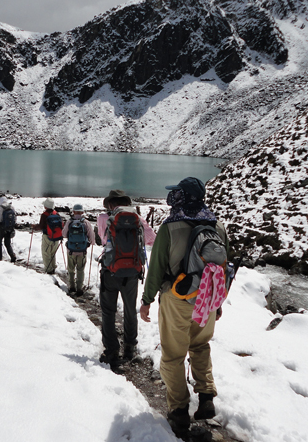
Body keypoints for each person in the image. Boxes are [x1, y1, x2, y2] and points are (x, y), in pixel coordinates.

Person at [139, 177, 228, 433]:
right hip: (207, 299)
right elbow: (222, 269)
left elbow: (155, 268)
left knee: (173, 354)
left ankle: (178, 411)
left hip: (176, 299)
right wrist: (217, 301)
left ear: (182, 197)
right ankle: (206, 397)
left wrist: (146, 300)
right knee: (200, 345)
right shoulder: (217, 225)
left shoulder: (170, 227)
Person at [97, 189, 149, 368]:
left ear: (110, 203)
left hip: (110, 270)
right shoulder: (138, 219)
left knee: (108, 310)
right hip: (132, 272)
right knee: (129, 309)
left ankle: (111, 350)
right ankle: (129, 347)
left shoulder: (104, 218)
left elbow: (102, 240)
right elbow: (151, 239)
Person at [61, 204, 96, 297]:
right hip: (82, 250)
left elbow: (64, 234)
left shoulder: (69, 221)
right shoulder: (86, 222)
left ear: (73, 212)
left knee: (71, 269)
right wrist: (92, 243)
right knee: (80, 269)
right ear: (82, 212)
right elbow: (91, 236)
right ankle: (79, 288)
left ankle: (72, 287)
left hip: (71, 250)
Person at [34, 198, 62, 274]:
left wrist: (34, 227)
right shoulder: (56, 214)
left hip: (47, 236)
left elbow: (41, 226)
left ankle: (48, 270)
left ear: (46, 206)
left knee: (46, 253)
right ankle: (53, 267)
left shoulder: (44, 215)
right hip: (56, 236)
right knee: (53, 253)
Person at [0, 196, 17, 262]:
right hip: (9, 227)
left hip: (1, 228)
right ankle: (12, 255)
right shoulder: (11, 207)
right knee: (7, 243)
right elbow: (15, 218)